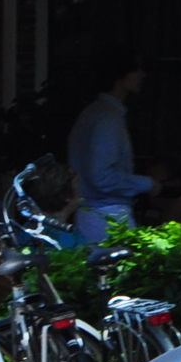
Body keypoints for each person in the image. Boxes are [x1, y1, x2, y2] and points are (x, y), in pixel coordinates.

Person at [67, 46, 153, 244]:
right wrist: (147, 183)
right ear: (120, 74)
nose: (142, 74)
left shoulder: (91, 114)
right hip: (107, 219)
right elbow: (102, 177)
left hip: (89, 215)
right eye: (136, 69)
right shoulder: (107, 119)